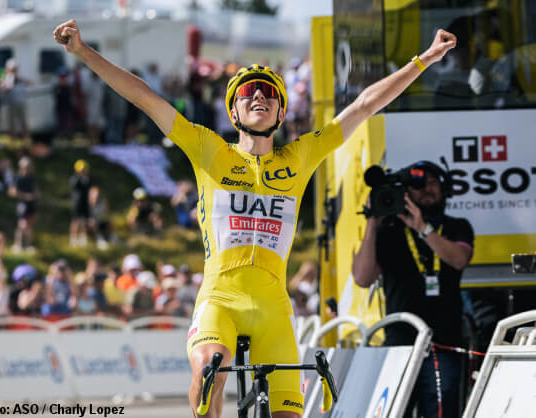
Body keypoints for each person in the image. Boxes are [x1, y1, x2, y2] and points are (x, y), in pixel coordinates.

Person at [53, 20, 456, 418]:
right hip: (220, 300)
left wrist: (425, 59)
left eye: (270, 92)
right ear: (233, 109)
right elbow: (143, 97)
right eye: (248, 91)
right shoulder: (209, 149)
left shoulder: (298, 158)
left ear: (281, 110)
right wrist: (84, 52)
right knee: (210, 374)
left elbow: (365, 104)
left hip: (274, 309)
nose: (259, 96)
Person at [353, 161, 474, 418]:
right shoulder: (388, 232)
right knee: (397, 412)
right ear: (407, 193)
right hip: (399, 344)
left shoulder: (457, 226)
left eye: (433, 184)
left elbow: (459, 259)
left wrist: (423, 229)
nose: (427, 190)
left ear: (445, 189)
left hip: (444, 342)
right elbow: (362, 278)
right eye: (419, 185)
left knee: (442, 411)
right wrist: (372, 222)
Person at [8, 156, 37, 253]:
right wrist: (25, 196)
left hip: (31, 204)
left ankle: (28, 245)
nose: (26, 168)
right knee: (22, 225)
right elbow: (12, 192)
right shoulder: (17, 177)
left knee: (29, 225)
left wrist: (34, 195)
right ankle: (18, 245)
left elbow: (34, 190)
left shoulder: (31, 178)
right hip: (22, 204)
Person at [69, 159, 92, 246]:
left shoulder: (87, 178)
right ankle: (73, 238)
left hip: (85, 202)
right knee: (75, 220)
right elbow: (74, 185)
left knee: (84, 220)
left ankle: (83, 237)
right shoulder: (74, 178)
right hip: (77, 202)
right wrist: (79, 177)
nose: (82, 171)